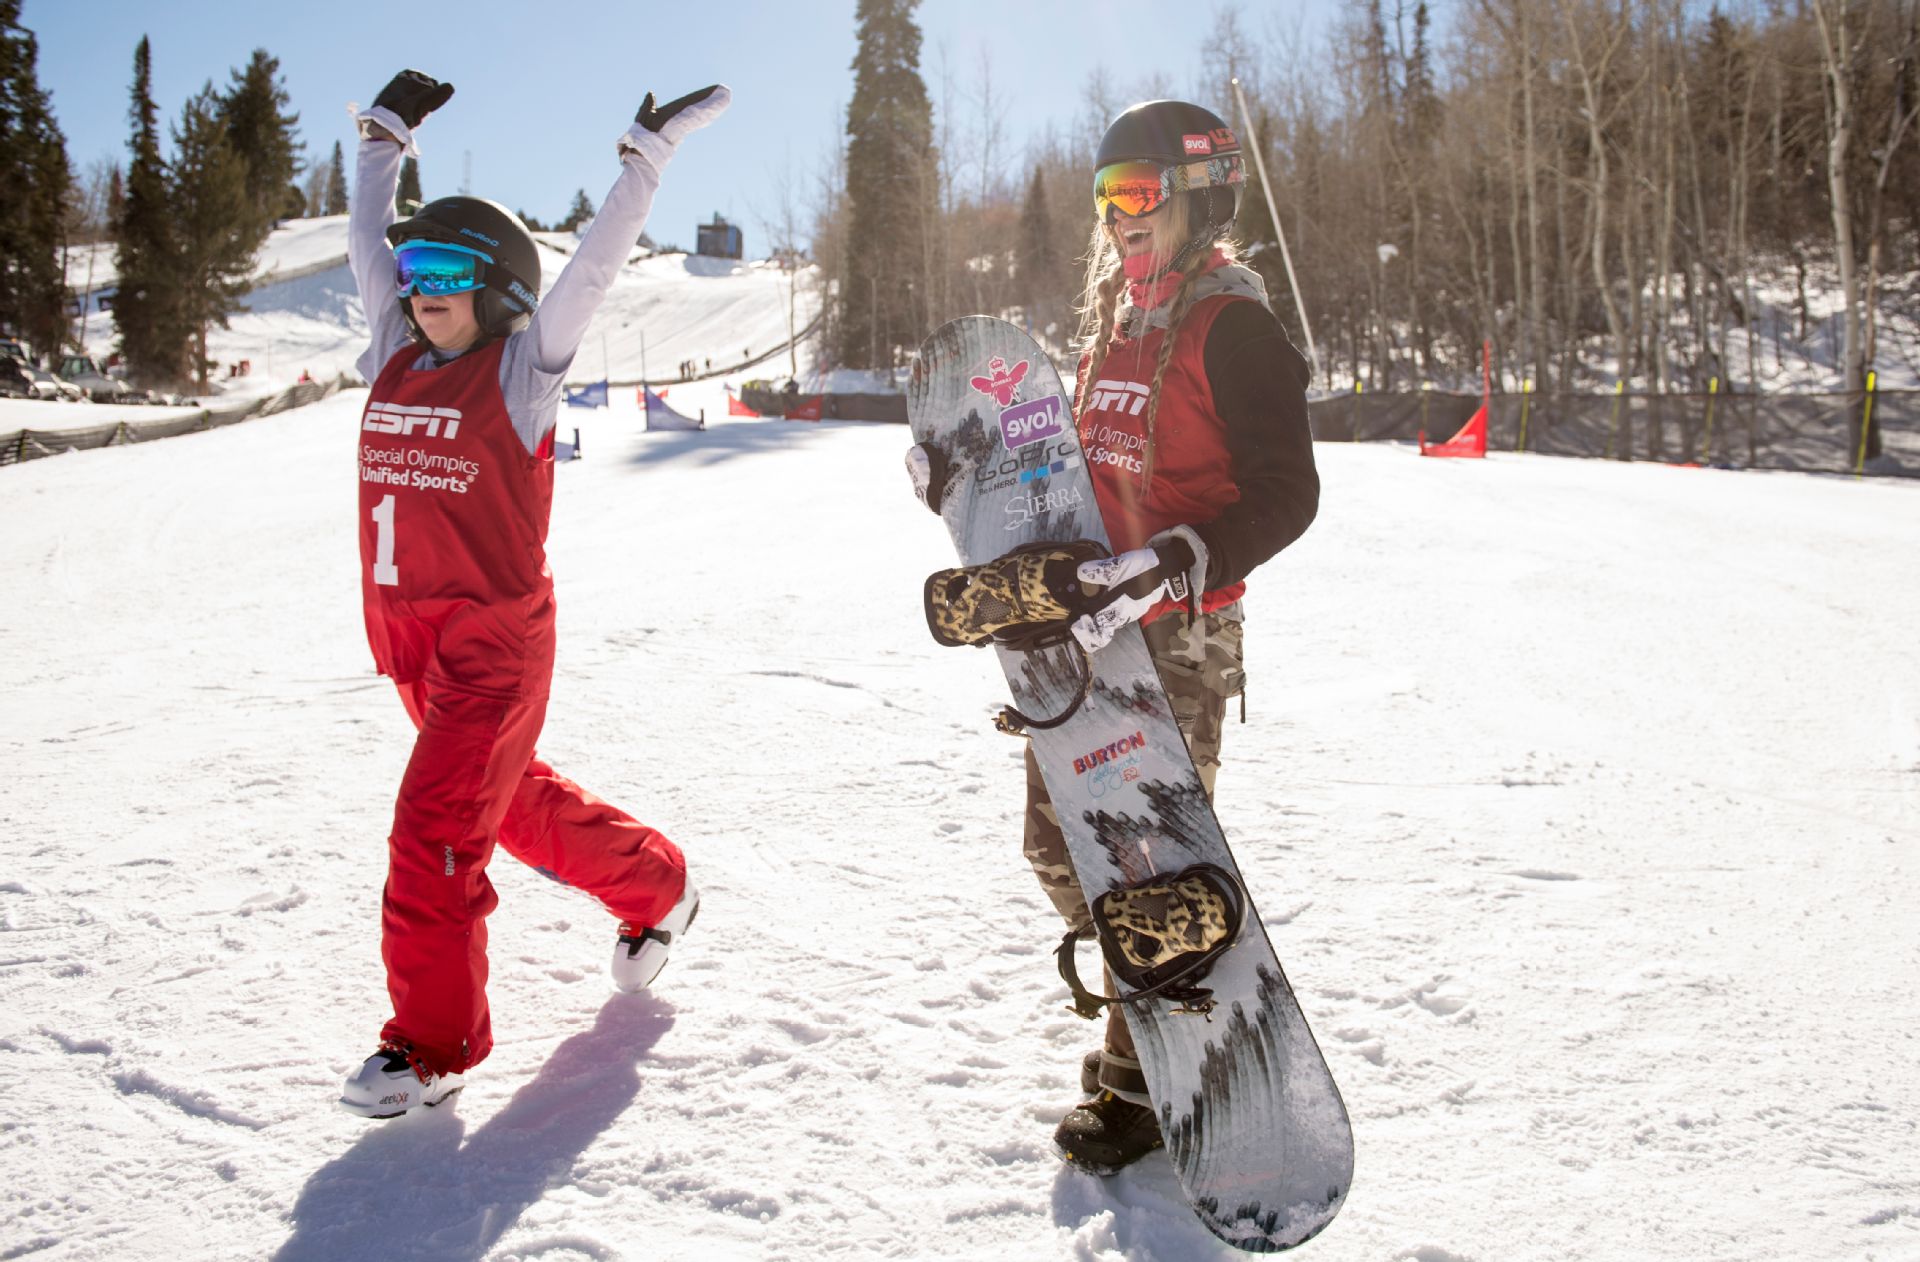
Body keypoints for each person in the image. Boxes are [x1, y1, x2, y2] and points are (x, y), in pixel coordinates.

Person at [337, 69, 728, 1119]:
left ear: (501, 288)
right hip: (415, 650)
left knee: (432, 835)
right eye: (414, 270)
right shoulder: (396, 354)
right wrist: (382, 140)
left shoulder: (521, 375)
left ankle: (432, 1045)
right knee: (507, 805)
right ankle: (658, 883)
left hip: (491, 652)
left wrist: (645, 158)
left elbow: (594, 269)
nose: (421, 287)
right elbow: (365, 241)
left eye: (447, 272)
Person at [1032, 100, 1320, 1172]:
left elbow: (1289, 493)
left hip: (1180, 639)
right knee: (1058, 847)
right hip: (1086, 634)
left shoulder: (1232, 326)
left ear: (1203, 193)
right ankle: (1172, 984)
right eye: (1107, 198)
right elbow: (1078, 466)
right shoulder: (1118, 317)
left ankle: (1144, 1079)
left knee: (1141, 868)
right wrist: (970, 472)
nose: (1121, 217)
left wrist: (1184, 556)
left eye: (1141, 192)